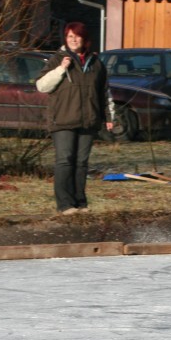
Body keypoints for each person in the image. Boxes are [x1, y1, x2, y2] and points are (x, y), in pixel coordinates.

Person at [36, 21, 114, 215]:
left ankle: (80, 203)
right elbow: (42, 86)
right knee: (64, 160)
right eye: (70, 36)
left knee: (81, 163)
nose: (73, 40)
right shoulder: (57, 59)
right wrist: (61, 69)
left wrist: (109, 117)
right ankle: (65, 205)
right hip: (63, 120)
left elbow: (104, 92)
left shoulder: (96, 63)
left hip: (88, 120)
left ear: (84, 39)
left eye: (77, 36)